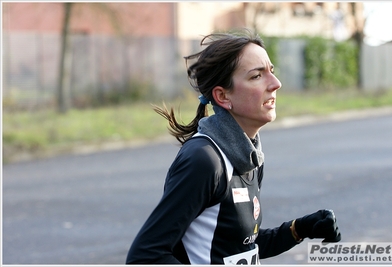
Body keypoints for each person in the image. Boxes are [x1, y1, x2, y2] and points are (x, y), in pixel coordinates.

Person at [125, 28, 341, 265]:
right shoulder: (204, 160)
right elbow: (146, 255)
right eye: (256, 76)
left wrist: (298, 229)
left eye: (271, 71)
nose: (276, 84)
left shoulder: (249, 155)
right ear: (223, 96)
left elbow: (239, 248)